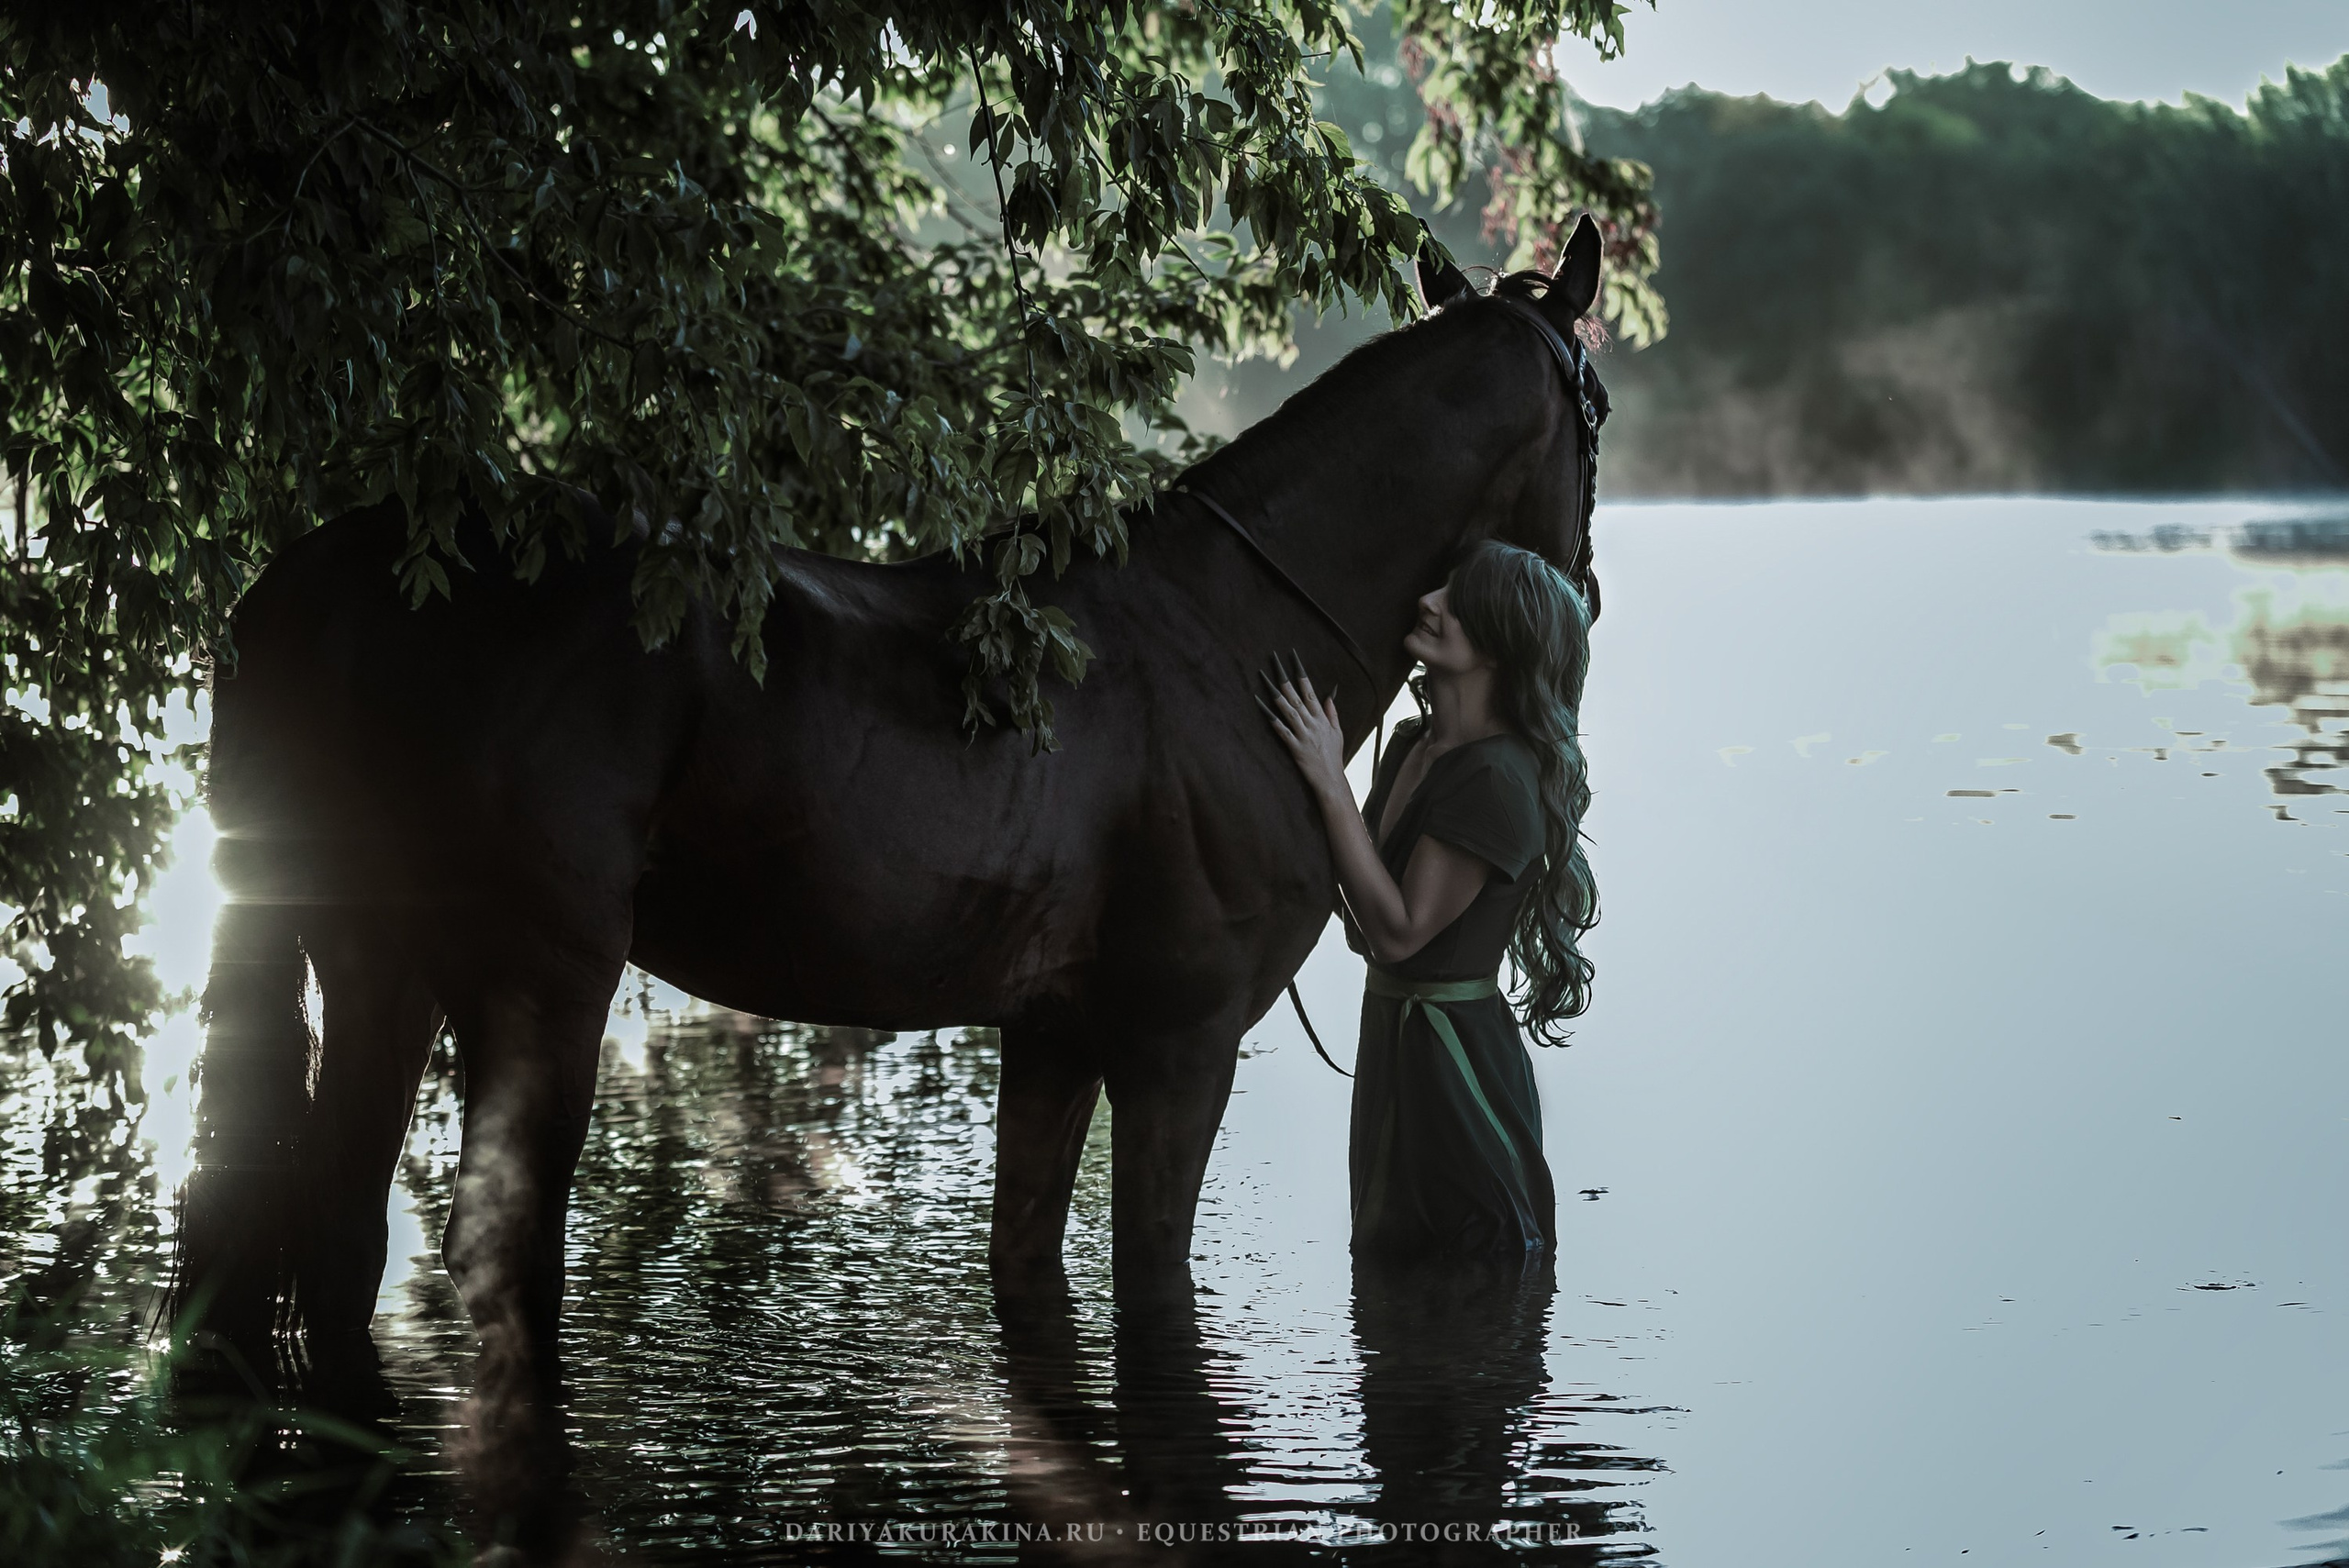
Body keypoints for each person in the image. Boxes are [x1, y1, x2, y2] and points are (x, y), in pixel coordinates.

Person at [1261, 539, 1598, 1256]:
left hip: (1454, 1069)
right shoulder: (1413, 742)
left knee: (1466, 1266)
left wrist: (1328, 778)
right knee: (1392, 1272)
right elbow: (1363, 912)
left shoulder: (1498, 780)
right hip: (1396, 1039)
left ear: (1500, 650)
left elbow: (1399, 932)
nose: (1428, 602)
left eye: (1457, 602)